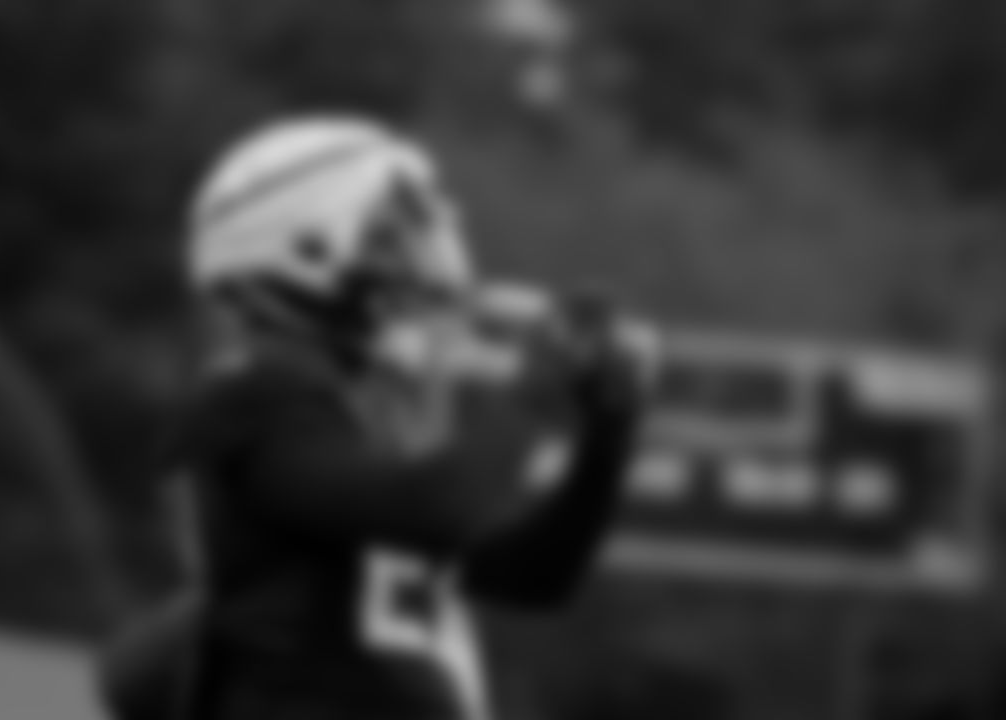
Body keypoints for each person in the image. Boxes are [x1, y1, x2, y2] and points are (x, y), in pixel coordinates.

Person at [97, 115, 656, 720]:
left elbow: (538, 577)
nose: (415, 249)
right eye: (386, 234)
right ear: (305, 247)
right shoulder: (259, 393)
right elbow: (437, 509)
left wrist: (607, 437)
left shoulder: (361, 417)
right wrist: (537, 389)